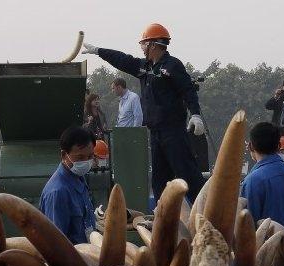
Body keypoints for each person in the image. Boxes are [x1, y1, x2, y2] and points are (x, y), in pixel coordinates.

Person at [81, 23, 205, 204]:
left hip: (173, 131)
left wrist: (195, 114)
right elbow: (123, 60)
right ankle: (162, 216)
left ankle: (206, 213)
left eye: (144, 44)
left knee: (187, 173)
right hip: (156, 133)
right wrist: (99, 51)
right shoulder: (145, 67)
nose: (142, 48)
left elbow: (188, 90)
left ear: (153, 44)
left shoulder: (172, 66)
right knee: (159, 179)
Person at [240, 122, 284, 234]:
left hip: (266, 250)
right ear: (279, 146)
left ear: (250, 146)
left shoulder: (252, 181)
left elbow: (246, 227)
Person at [39, 126, 97, 244]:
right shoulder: (57, 192)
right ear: (64, 155)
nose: (86, 162)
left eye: (90, 156)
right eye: (80, 157)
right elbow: (56, 245)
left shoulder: (80, 179)